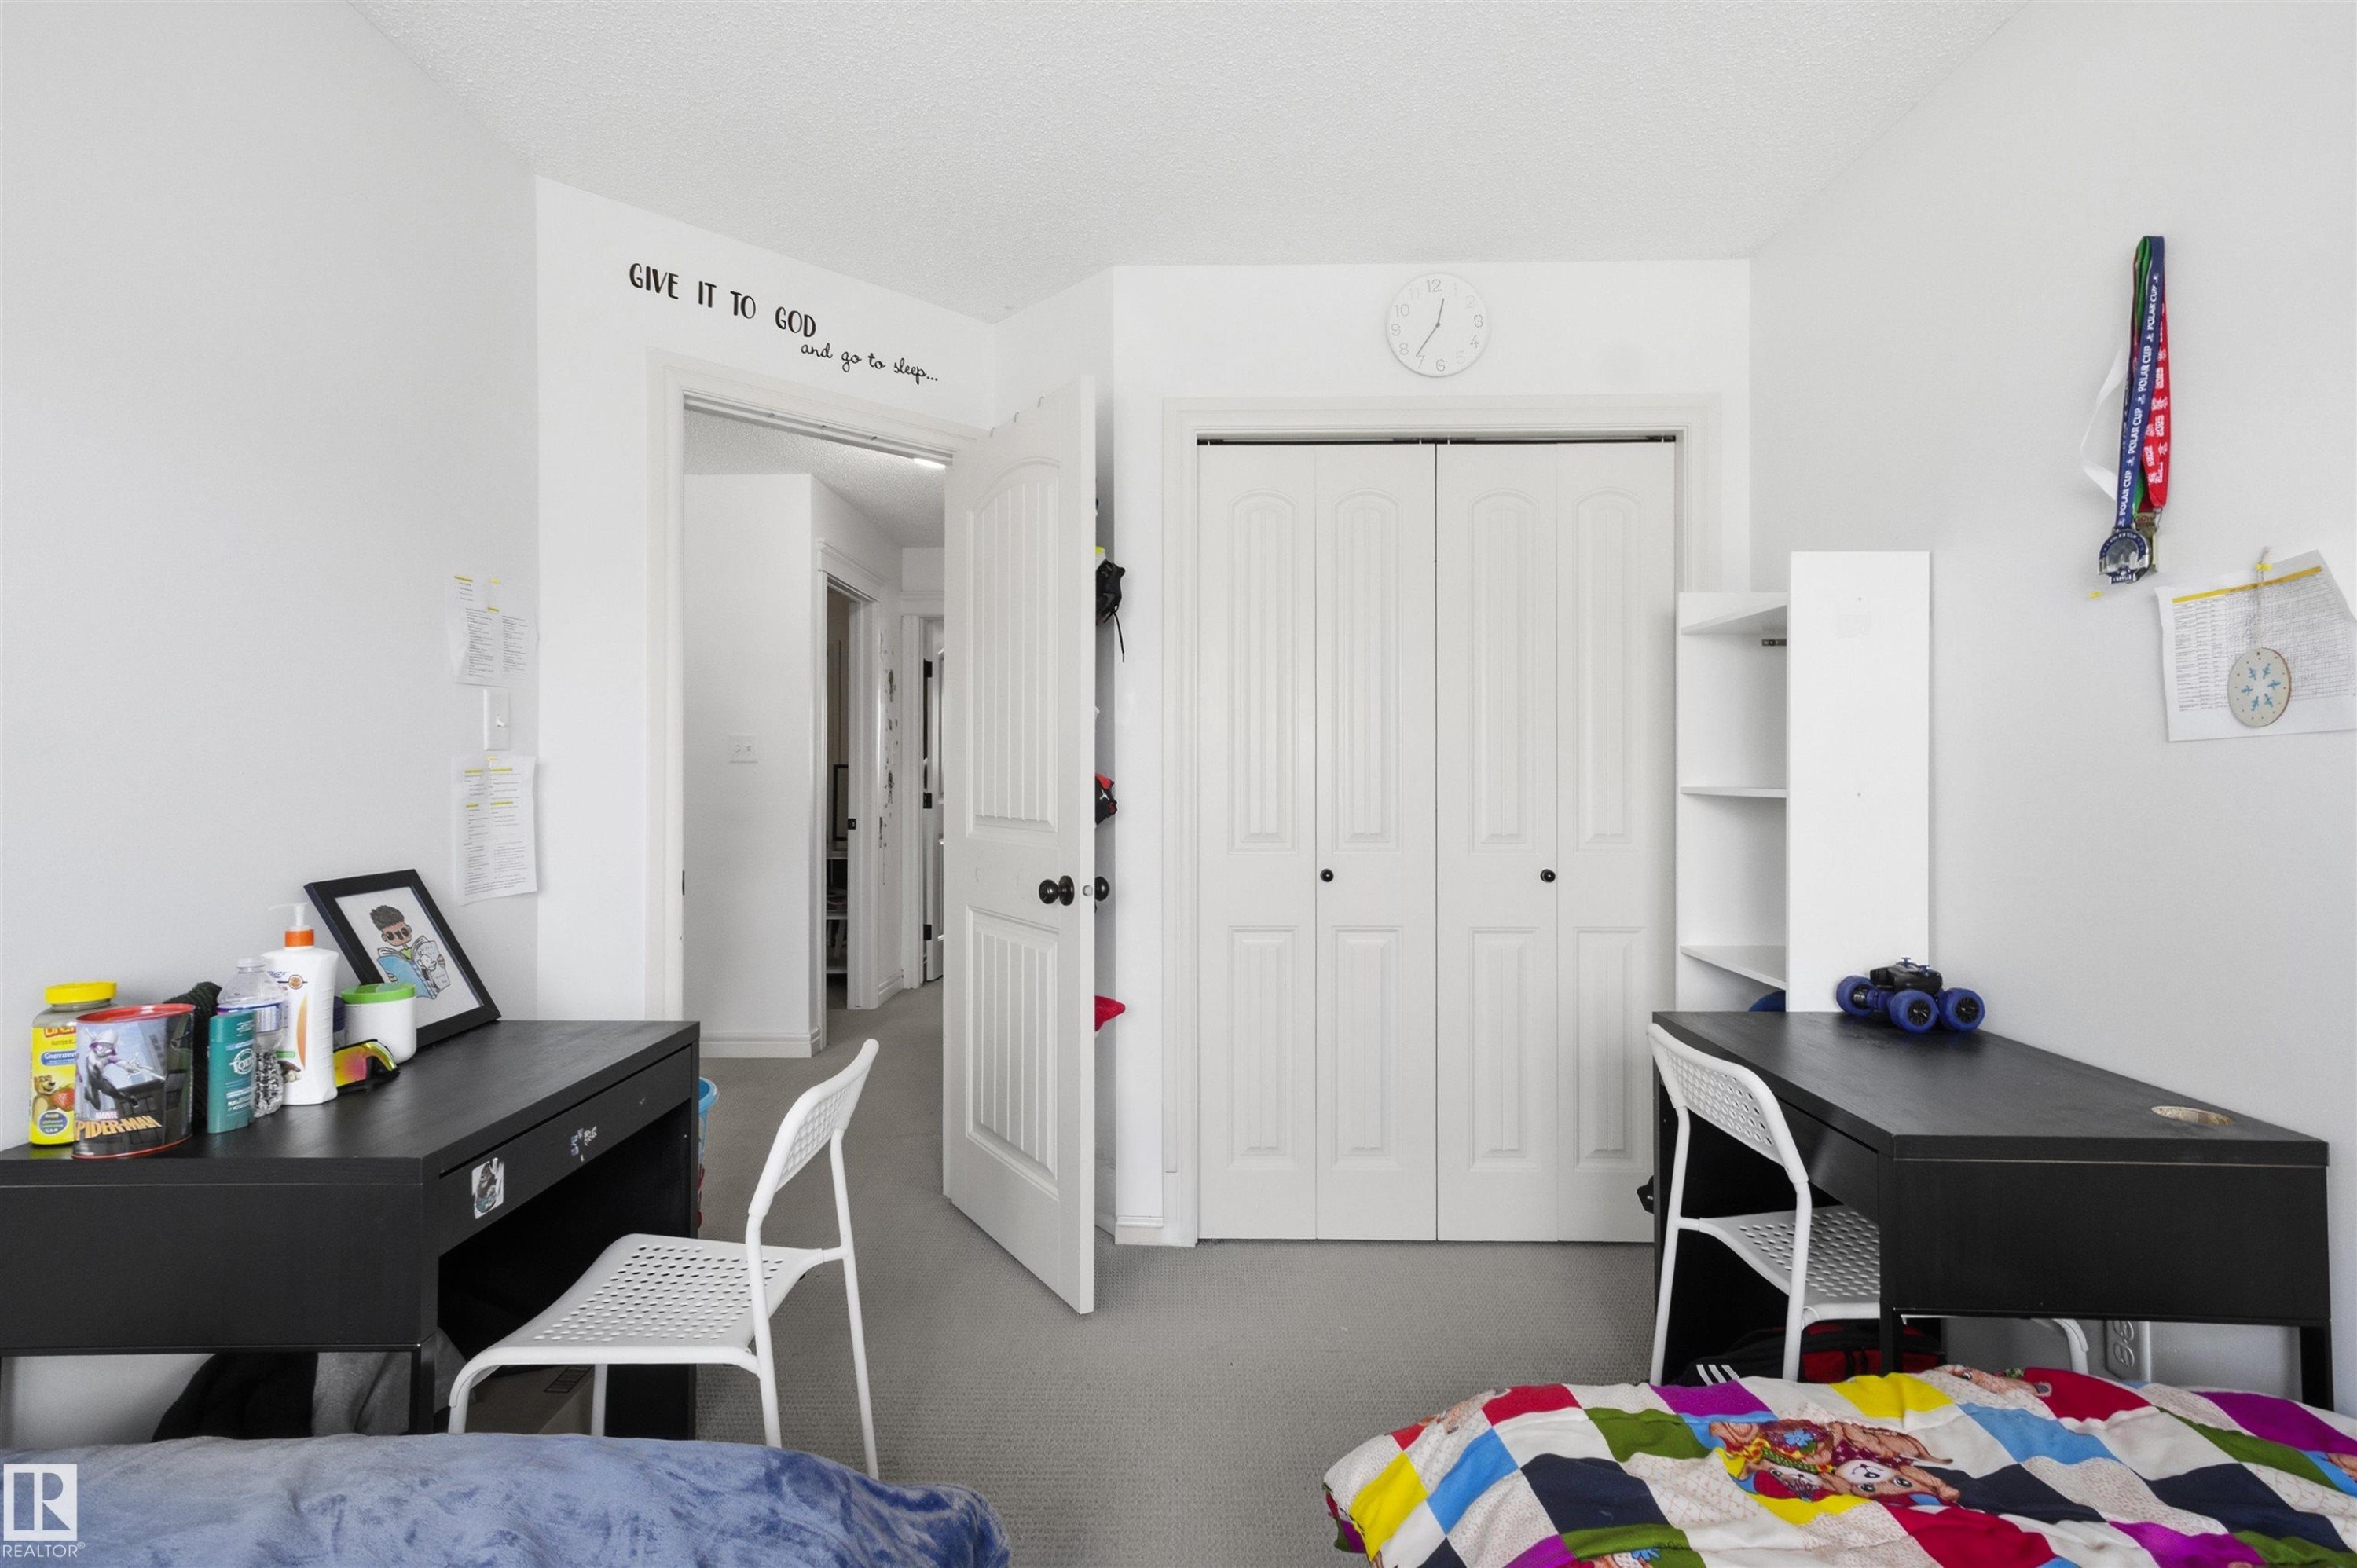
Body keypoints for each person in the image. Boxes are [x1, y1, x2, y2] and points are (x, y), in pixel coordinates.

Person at [369, 905, 453, 1001]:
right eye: (391, 936)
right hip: (416, 998)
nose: (400, 938)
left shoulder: (422, 947)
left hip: (439, 987)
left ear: (409, 928)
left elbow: (440, 962)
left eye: (403, 931)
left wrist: (440, 962)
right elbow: (394, 980)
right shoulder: (391, 958)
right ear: (384, 938)